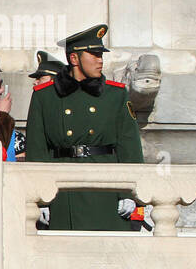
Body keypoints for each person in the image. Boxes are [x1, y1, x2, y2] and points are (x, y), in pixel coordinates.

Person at [25, 25, 144, 230]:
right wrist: (40, 197)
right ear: (74, 59)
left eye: (101, 55)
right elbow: (37, 150)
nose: (100, 60)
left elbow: (130, 146)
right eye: (95, 54)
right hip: (63, 192)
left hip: (106, 189)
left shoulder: (115, 95)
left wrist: (129, 192)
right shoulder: (45, 96)